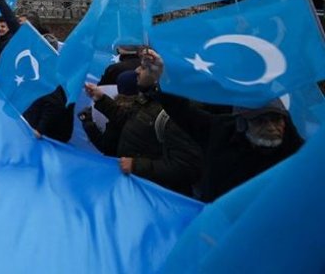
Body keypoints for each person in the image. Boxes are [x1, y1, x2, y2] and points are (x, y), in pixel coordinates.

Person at [139, 49, 305, 202]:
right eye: (260, 121)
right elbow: (180, 109)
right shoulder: (218, 132)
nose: (271, 127)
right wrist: (162, 77)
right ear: (242, 123)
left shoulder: (298, 151)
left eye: (276, 119)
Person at [84, 70, 203, 197]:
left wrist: (136, 165)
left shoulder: (175, 115)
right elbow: (130, 120)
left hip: (156, 194)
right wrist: (101, 99)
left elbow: (186, 167)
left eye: (144, 67)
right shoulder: (152, 100)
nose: (137, 70)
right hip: (137, 185)